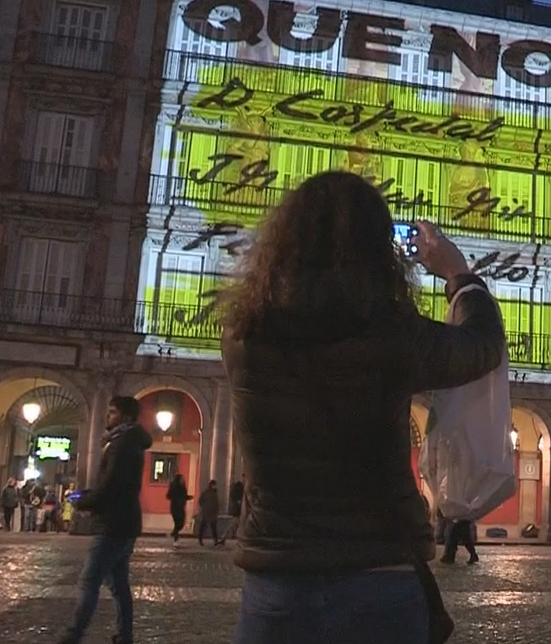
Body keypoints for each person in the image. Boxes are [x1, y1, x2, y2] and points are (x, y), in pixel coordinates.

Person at [221, 172, 506, 644]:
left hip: (278, 576)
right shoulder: (387, 332)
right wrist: (459, 274)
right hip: (379, 573)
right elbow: (481, 347)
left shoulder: (245, 334)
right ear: (377, 250)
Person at [59, 395, 152, 644]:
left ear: (127, 417)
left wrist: (83, 502)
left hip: (113, 523)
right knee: (119, 585)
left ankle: (73, 635)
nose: (108, 416)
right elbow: (113, 484)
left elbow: (112, 486)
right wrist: (88, 495)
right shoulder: (127, 441)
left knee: (89, 581)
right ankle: (125, 635)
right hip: (124, 522)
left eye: (112, 412)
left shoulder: (121, 444)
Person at [167, 474, 192, 546]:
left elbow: (184, 496)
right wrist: (176, 498)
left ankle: (174, 535)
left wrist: (188, 497)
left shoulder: (183, 488)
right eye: (182, 479)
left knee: (180, 524)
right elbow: (168, 496)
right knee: (178, 524)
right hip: (175, 508)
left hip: (181, 508)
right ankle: (175, 538)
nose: (183, 480)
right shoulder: (174, 487)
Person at [197, 480, 222, 547]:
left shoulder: (207, 492)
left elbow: (200, 501)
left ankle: (201, 539)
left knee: (205, 527)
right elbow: (216, 503)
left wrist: (203, 507)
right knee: (211, 527)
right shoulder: (211, 493)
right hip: (210, 512)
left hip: (208, 512)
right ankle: (214, 541)